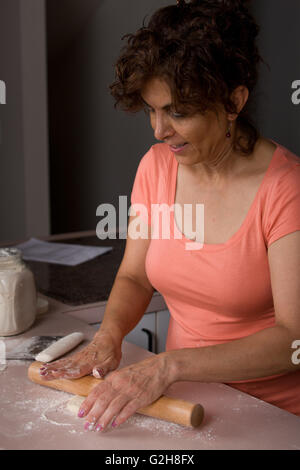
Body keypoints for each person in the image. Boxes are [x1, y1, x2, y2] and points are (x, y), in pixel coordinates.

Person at [40, 0, 300, 431]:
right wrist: (109, 335)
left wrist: (169, 366)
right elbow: (134, 277)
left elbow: (294, 338)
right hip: (180, 404)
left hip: (272, 417)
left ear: (234, 101)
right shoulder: (157, 166)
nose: (160, 131)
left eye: (178, 112)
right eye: (152, 110)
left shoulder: (286, 189)